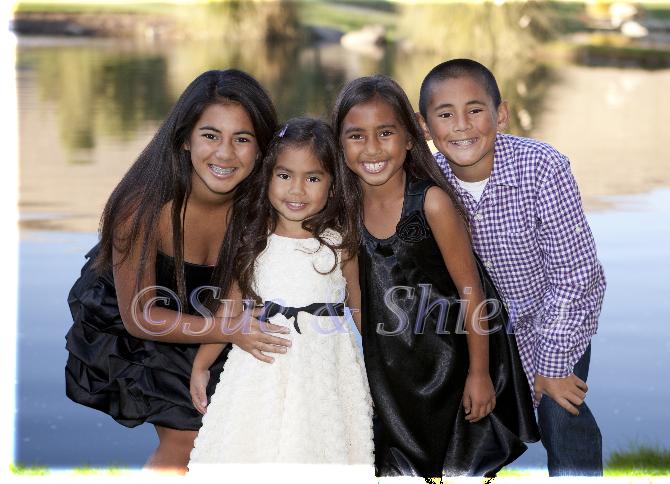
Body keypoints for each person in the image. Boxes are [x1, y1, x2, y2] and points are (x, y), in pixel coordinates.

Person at [65, 69, 293, 474]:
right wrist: (230, 330)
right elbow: (140, 317)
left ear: (261, 149)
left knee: (240, 439)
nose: (225, 154)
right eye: (211, 135)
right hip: (146, 317)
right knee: (186, 443)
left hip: (222, 312)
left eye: (242, 139)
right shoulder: (143, 208)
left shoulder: (265, 205)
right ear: (186, 138)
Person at [331, 74, 539, 479]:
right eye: (356, 136)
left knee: (461, 463)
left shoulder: (432, 203)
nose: (372, 148)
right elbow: (355, 294)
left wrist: (479, 374)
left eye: (385, 133)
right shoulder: (346, 213)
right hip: (395, 366)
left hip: (454, 361)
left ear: (410, 137)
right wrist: (376, 362)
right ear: (339, 143)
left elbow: (472, 292)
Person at [417, 58, 606, 476]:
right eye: (445, 115)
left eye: (475, 110)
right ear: (425, 127)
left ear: (500, 114)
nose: (462, 125)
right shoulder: (427, 183)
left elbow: (575, 275)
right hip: (479, 328)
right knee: (469, 427)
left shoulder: (542, 167)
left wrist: (550, 367)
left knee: (559, 409)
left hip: (553, 316)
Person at [187, 117, 374, 469]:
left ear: (333, 185)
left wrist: (383, 365)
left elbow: (360, 307)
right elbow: (228, 313)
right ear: (268, 177)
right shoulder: (253, 241)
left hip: (325, 372)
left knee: (320, 451)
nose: (296, 191)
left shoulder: (341, 243)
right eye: (285, 175)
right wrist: (201, 365)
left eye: (313, 178)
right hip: (262, 370)